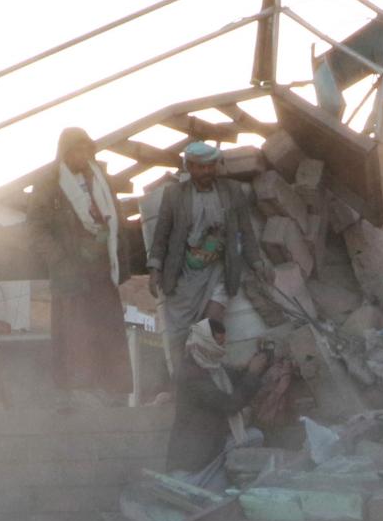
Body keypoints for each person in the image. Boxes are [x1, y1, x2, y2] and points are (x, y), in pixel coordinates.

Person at [144, 139, 261, 392]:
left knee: (210, 327)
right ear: (190, 167)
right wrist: (155, 269)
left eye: (210, 166)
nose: (206, 172)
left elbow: (246, 231)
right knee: (179, 336)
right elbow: (161, 234)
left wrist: (258, 263)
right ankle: (183, 388)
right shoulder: (174, 194)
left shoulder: (231, 191)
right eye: (200, 167)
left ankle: (210, 385)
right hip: (183, 276)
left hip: (219, 271)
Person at [32, 127, 131, 401]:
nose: (84, 155)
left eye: (88, 149)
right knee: (75, 335)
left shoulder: (100, 178)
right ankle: (76, 394)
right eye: (78, 150)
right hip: (70, 274)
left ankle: (111, 393)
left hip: (101, 269)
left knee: (107, 330)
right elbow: (37, 228)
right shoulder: (49, 182)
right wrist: (59, 260)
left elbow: (115, 218)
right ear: (65, 152)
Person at [165, 320, 293, 484]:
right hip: (194, 460)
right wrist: (252, 374)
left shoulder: (209, 365)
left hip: (211, 442)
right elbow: (231, 405)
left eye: (222, 343)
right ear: (204, 343)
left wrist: (254, 363)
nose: (222, 348)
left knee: (255, 437)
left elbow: (233, 376)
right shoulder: (189, 375)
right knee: (220, 491)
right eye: (217, 344)